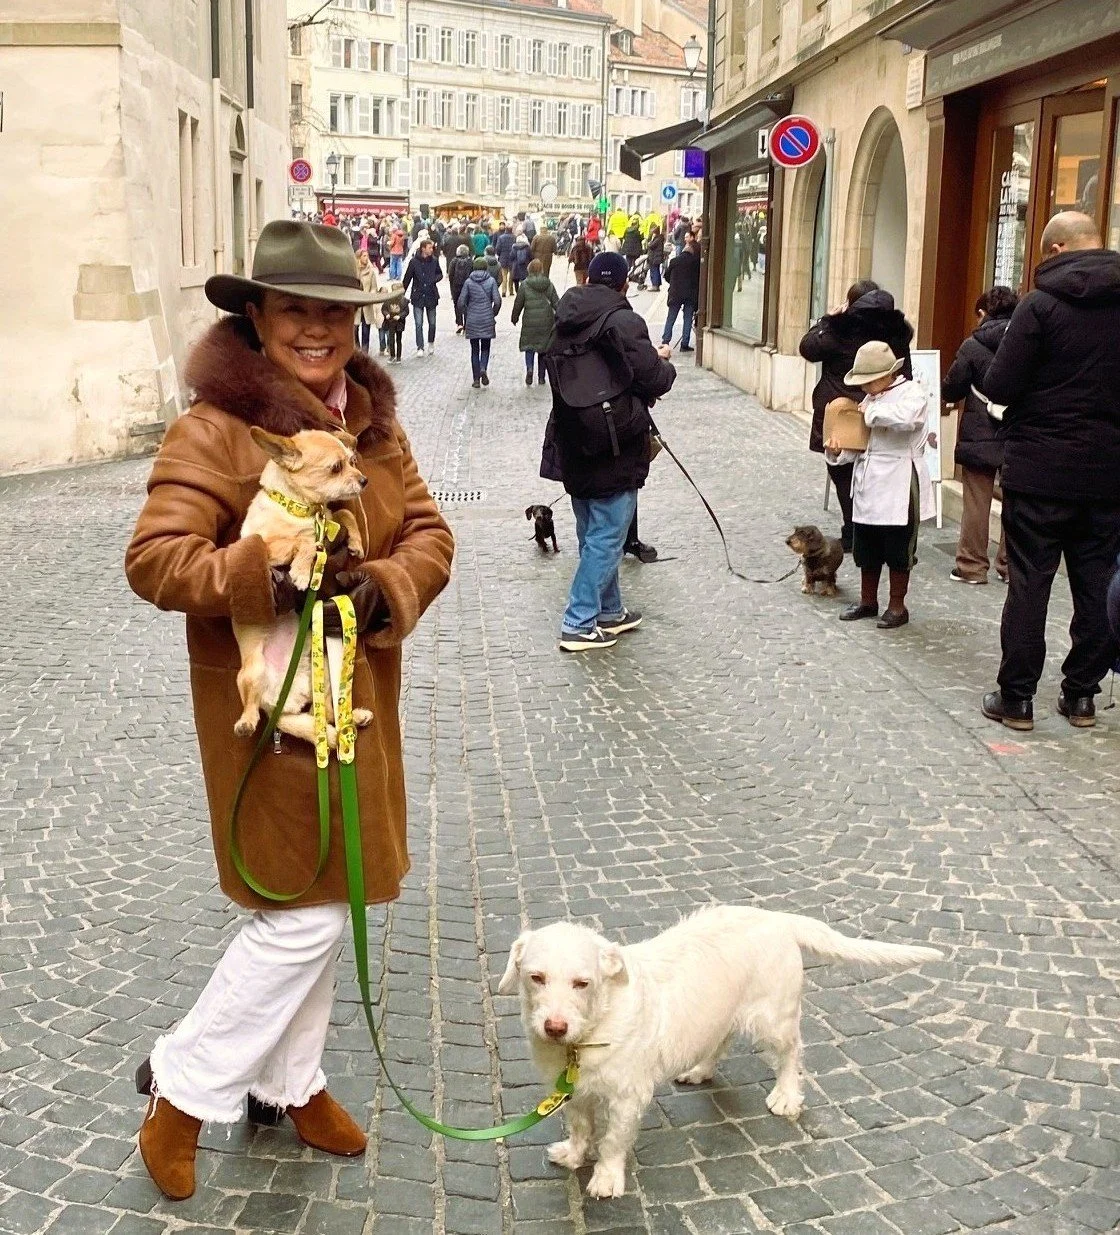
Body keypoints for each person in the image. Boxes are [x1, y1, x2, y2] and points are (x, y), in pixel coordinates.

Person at [123, 220, 453, 1201]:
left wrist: (384, 583)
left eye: (335, 313)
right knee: (296, 917)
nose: (318, 330)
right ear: (259, 317)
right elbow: (154, 559)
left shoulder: (374, 427)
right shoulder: (214, 429)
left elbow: (430, 530)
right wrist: (269, 566)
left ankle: (288, 1079)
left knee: (334, 895)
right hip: (270, 720)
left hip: (361, 712)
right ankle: (183, 1085)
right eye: (297, 311)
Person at [979, 211, 1120, 732]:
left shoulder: (1039, 306)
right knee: (1097, 584)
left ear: (1058, 251)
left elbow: (999, 385)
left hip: (1040, 469)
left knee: (1030, 584)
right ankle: (1080, 694)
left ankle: (1016, 699)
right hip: (1108, 474)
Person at [542, 251, 676, 652]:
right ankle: (578, 621)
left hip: (572, 435)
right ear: (622, 284)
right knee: (607, 535)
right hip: (614, 440)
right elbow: (652, 377)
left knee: (593, 531)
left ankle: (609, 611)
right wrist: (664, 362)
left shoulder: (564, 319)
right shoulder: (623, 320)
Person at [825, 340, 934, 629]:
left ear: (885, 375)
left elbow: (908, 419)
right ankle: (867, 601)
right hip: (869, 480)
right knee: (866, 544)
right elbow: (858, 442)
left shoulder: (912, 393)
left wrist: (870, 414)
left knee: (899, 546)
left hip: (898, 477)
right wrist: (838, 451)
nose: (863, 388)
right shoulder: (868, 400)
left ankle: (897, 605)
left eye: (868, 382)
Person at [798, 280, 914, 553]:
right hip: (881, 408)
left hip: (841, 411)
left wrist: (827, 320)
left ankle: (853, 530)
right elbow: (906, 371)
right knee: (874, 472)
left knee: (841, 469)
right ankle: (870, 530)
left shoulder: (840, 328)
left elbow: (808, 348)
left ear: (851, 303)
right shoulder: (896, 331)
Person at [940, 285, 1017, 583]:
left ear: (983, 313)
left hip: (979, 431)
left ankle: (972, 566)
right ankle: (1011, 567)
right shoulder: (1029, 343)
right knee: (1016, 502)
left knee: (976, 500)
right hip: (1017, 432)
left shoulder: (972, 346)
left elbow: (952, 387)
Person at [511, 258, 558, 387]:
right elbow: (556, 302)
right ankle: (542, 377)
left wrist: (514, 317)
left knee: (529, 347)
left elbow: (518, 303)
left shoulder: (525, 285)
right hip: (546, 321)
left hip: (529, 321)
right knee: (543, 349)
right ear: (542, 269)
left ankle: (530, 369)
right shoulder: (549, 284)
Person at [457, 256, 502, 389]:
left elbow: (460, 302)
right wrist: (493, 313)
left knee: (474, 349)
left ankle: (476, 379)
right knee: (486, 347)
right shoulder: (492, 281)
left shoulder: (468, 282)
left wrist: (467, 312)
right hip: (487, 318)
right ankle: (483, 368)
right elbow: (498, 301)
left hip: (473, 319)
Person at [402, 237, 442, 357]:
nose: (432, 249)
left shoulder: (434, 260)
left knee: (432, 323)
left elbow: (440, 273)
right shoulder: (414, 262)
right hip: (418, 295)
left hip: (431, 294)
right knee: (418, 323)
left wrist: (434, 280)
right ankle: (420, 346)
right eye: (430, 248)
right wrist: (401, 293)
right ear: (423, 248)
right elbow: (407, 278)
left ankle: (431, 342)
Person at [662, 234, 700, 353]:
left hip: (675, 293)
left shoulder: (675, 261)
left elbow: (666, 275)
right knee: (688, 319)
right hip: (690, 294)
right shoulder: (696, 262)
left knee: (671, 318)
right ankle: (684, 344)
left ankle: (665, 341)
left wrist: (673, 283)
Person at [353, 247, 380, 353]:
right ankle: (356, 348)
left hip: (366, 304)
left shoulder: (371, 271)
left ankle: (365, 350)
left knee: (366, 328)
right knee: (354, 328)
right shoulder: (354, 271)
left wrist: (370, 295)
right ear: (359, 258)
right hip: (356, 303)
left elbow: (374, 287)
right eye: (364, 256)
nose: (366, 258)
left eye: (367, 256)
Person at [448, 243, 474, 335]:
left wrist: (451, 286)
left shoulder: (454, 261)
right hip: (467, 287)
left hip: (456, 287)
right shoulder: (470, 261)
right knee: (467, 305)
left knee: (457, 305)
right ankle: (467, 325)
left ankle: (459, 323)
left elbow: (450, 275)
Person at [381, 281, 408, 364]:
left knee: (398, 340)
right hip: (391, 322)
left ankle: (398, 356)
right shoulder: (389, 300)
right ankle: (392, 355)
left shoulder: (403, 301)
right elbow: (384, 309)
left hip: (399, 323)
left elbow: (406, 311)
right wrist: (386, 314)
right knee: (391, 339)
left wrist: (400, 316)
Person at [495, 224, 516, 297]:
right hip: (512, 258)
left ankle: (504, 291)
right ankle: (511, 291)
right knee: (511, 275)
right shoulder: (514, 237)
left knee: (504, 276)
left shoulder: (501, 237)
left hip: (503, 258)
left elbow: (498, 248)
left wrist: (499, 254)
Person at [646, 225, 665, 291]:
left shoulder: (657, 239)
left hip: (654, 258)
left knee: (654, 271)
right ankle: (657, 284)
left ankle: (655, 285)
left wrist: (650, 241)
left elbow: (651, 246)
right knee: (656, 270)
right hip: (656, 257)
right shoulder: (660, 238)